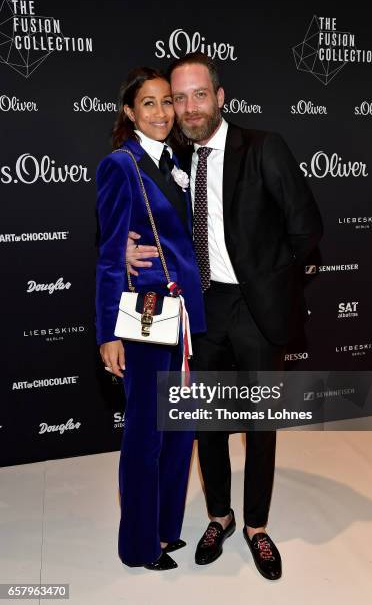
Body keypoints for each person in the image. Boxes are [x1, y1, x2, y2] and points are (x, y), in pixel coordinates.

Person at [126, 53, 323, 580]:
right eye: (178, 98)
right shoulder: (174, 159)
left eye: (198, 95)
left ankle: (257, 526)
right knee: (207, 424)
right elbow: (147, 223)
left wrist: (268, 283)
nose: (188, 108)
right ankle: (221, 516)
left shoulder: (263, 147)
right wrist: (124, 249)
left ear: (220, 97)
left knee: (260, 425)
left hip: (256, 311)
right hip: (201, 308)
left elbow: (307, 231)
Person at [95, 66, 205, 571]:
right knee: (145, 433)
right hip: (143, 318)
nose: (162, 113)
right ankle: (138, 545)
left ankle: (165, 528)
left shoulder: (181, 161)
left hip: (184, 318)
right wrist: (107, 334)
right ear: (129, 112)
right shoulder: (121, 165)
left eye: (167, 102)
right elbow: (107, 255)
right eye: (149, 104)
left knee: (179, 429)